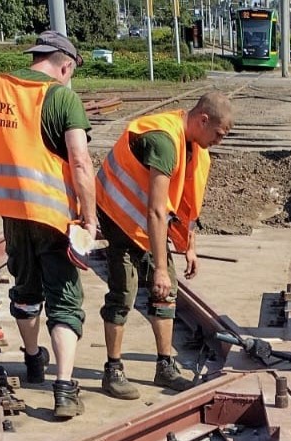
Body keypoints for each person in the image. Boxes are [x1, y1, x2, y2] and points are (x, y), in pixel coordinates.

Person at [0, 30, 97, 420]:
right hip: (53, 216)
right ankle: (64, 389)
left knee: (26, 287)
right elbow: (80, 162)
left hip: (12, 212)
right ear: (64, 65)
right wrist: (90, 216)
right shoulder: (62, 97)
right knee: (65, 298)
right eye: (71, 72)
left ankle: (33, 360)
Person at [95, 93, 232, 400]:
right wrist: (159, 268)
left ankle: (164, 366)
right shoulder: (164, 142)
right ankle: (113, 370)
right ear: (203, 120)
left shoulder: (194, 146)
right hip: (119, 215)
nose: (219, 141)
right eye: (219, 135)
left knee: (165, 293)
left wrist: (190, 246)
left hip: (145, 221)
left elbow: (185, 203)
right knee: (124, 291)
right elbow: (157, 211)